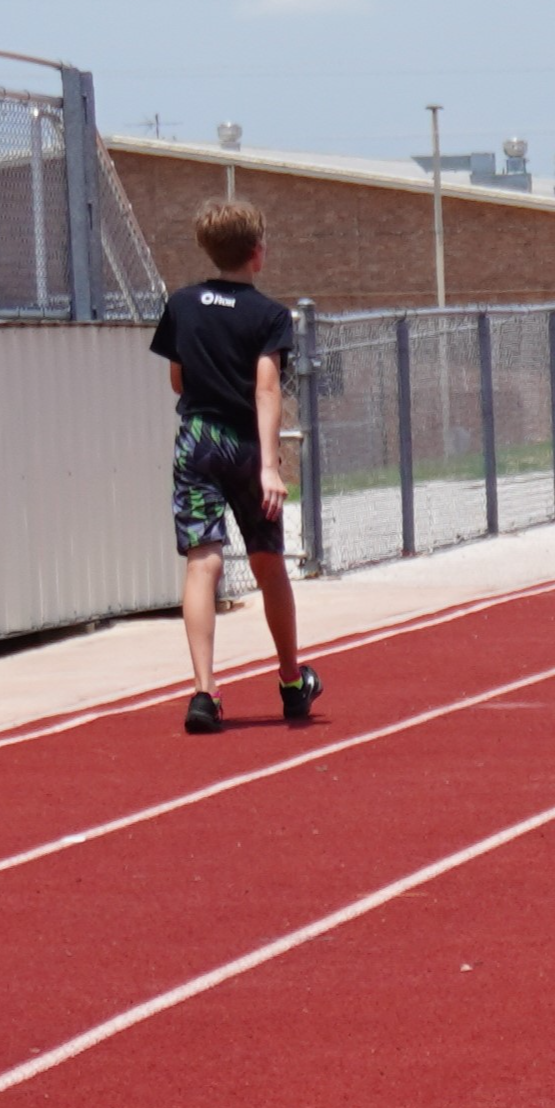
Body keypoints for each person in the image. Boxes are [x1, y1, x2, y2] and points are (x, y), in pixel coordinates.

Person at [149, 199, 318, 734]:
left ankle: (204, 692)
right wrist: (269, 465)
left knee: (203, 563)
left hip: (197, 439)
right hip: (246, 444)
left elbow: (178, 381)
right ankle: (292, 683)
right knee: (269, 563)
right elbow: (266, 388)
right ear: (257, 253)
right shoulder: (269, 315)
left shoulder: (182, 304)